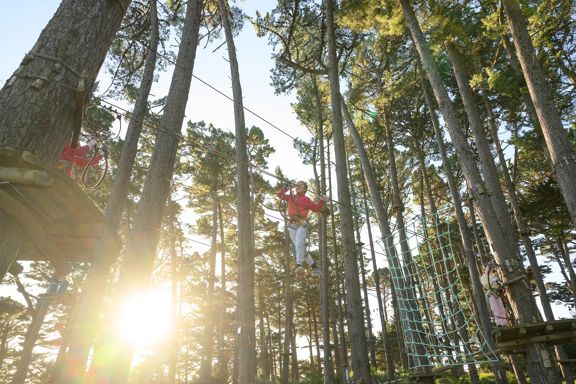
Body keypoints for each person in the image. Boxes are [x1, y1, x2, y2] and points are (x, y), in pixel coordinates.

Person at [276, 181, 326, 277]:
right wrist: (286, 188)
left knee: (299, 244)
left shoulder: (306, 199)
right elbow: (279, 195)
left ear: (305, 189)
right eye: (297, 184)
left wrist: (322, 201)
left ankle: (298, 265)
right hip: (291, 225)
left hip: (302, 225)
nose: (298, 186)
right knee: (301, 248)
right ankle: (314, 268)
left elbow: (316, 209)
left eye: (301, 185)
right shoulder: (292, 197)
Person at [481, 261, 510, 327]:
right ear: (485, 268)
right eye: (488, 267)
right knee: (495, 308)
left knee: (501, 308)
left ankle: (504, 323)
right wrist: (492, 281)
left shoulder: (493, 275)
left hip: (497, 292)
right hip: (491, 293)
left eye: (490, 267)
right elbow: (486, 285)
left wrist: (499, 283)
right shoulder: (483, 277)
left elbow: (498, 284)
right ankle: (499, 323)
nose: (490, 269)